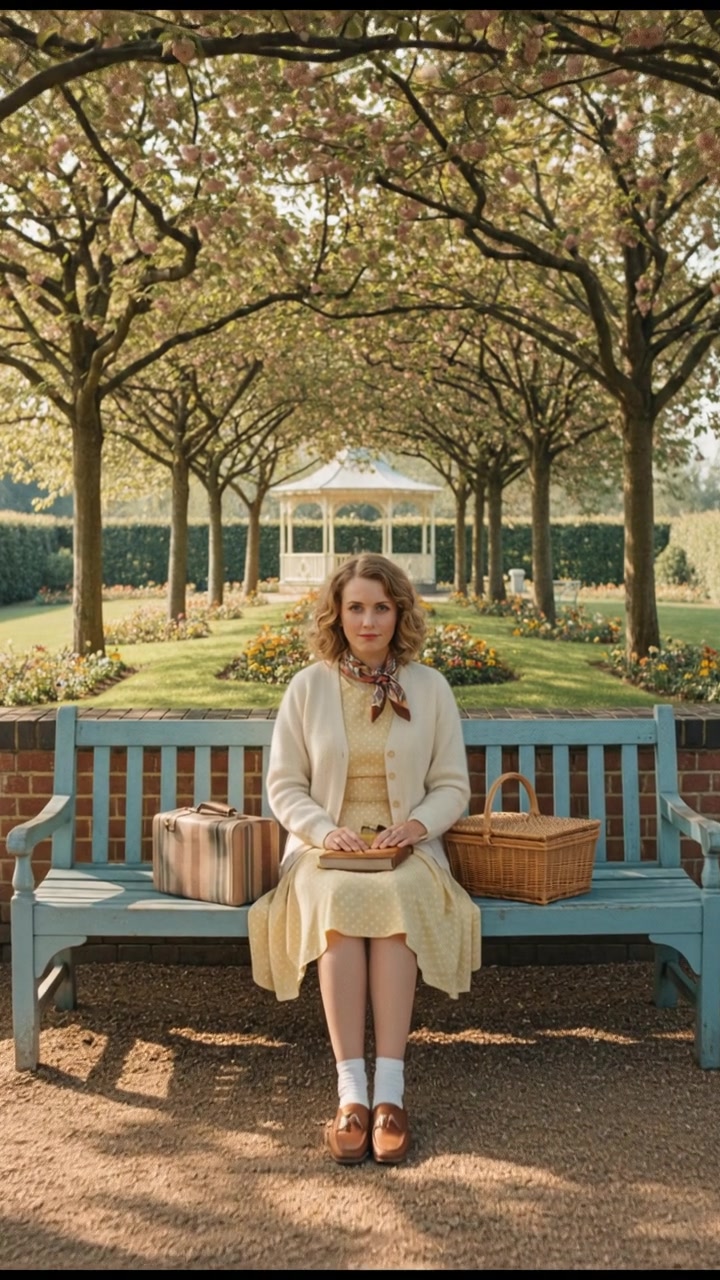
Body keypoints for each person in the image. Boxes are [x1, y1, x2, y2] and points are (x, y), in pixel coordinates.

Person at [248, 554, 481, 1165]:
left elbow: (453, 785)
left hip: (408, 848)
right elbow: (284, 786)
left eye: (381, 607)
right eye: (356, 607)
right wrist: (325, 831)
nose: (369, 620)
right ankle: (352, 1094)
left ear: (399, 611)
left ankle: (391, 1097)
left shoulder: (429, 687)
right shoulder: (308, 687)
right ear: (338, 612)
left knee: (398, 894)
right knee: (339, 899)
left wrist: (417, 824)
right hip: (324, 850)